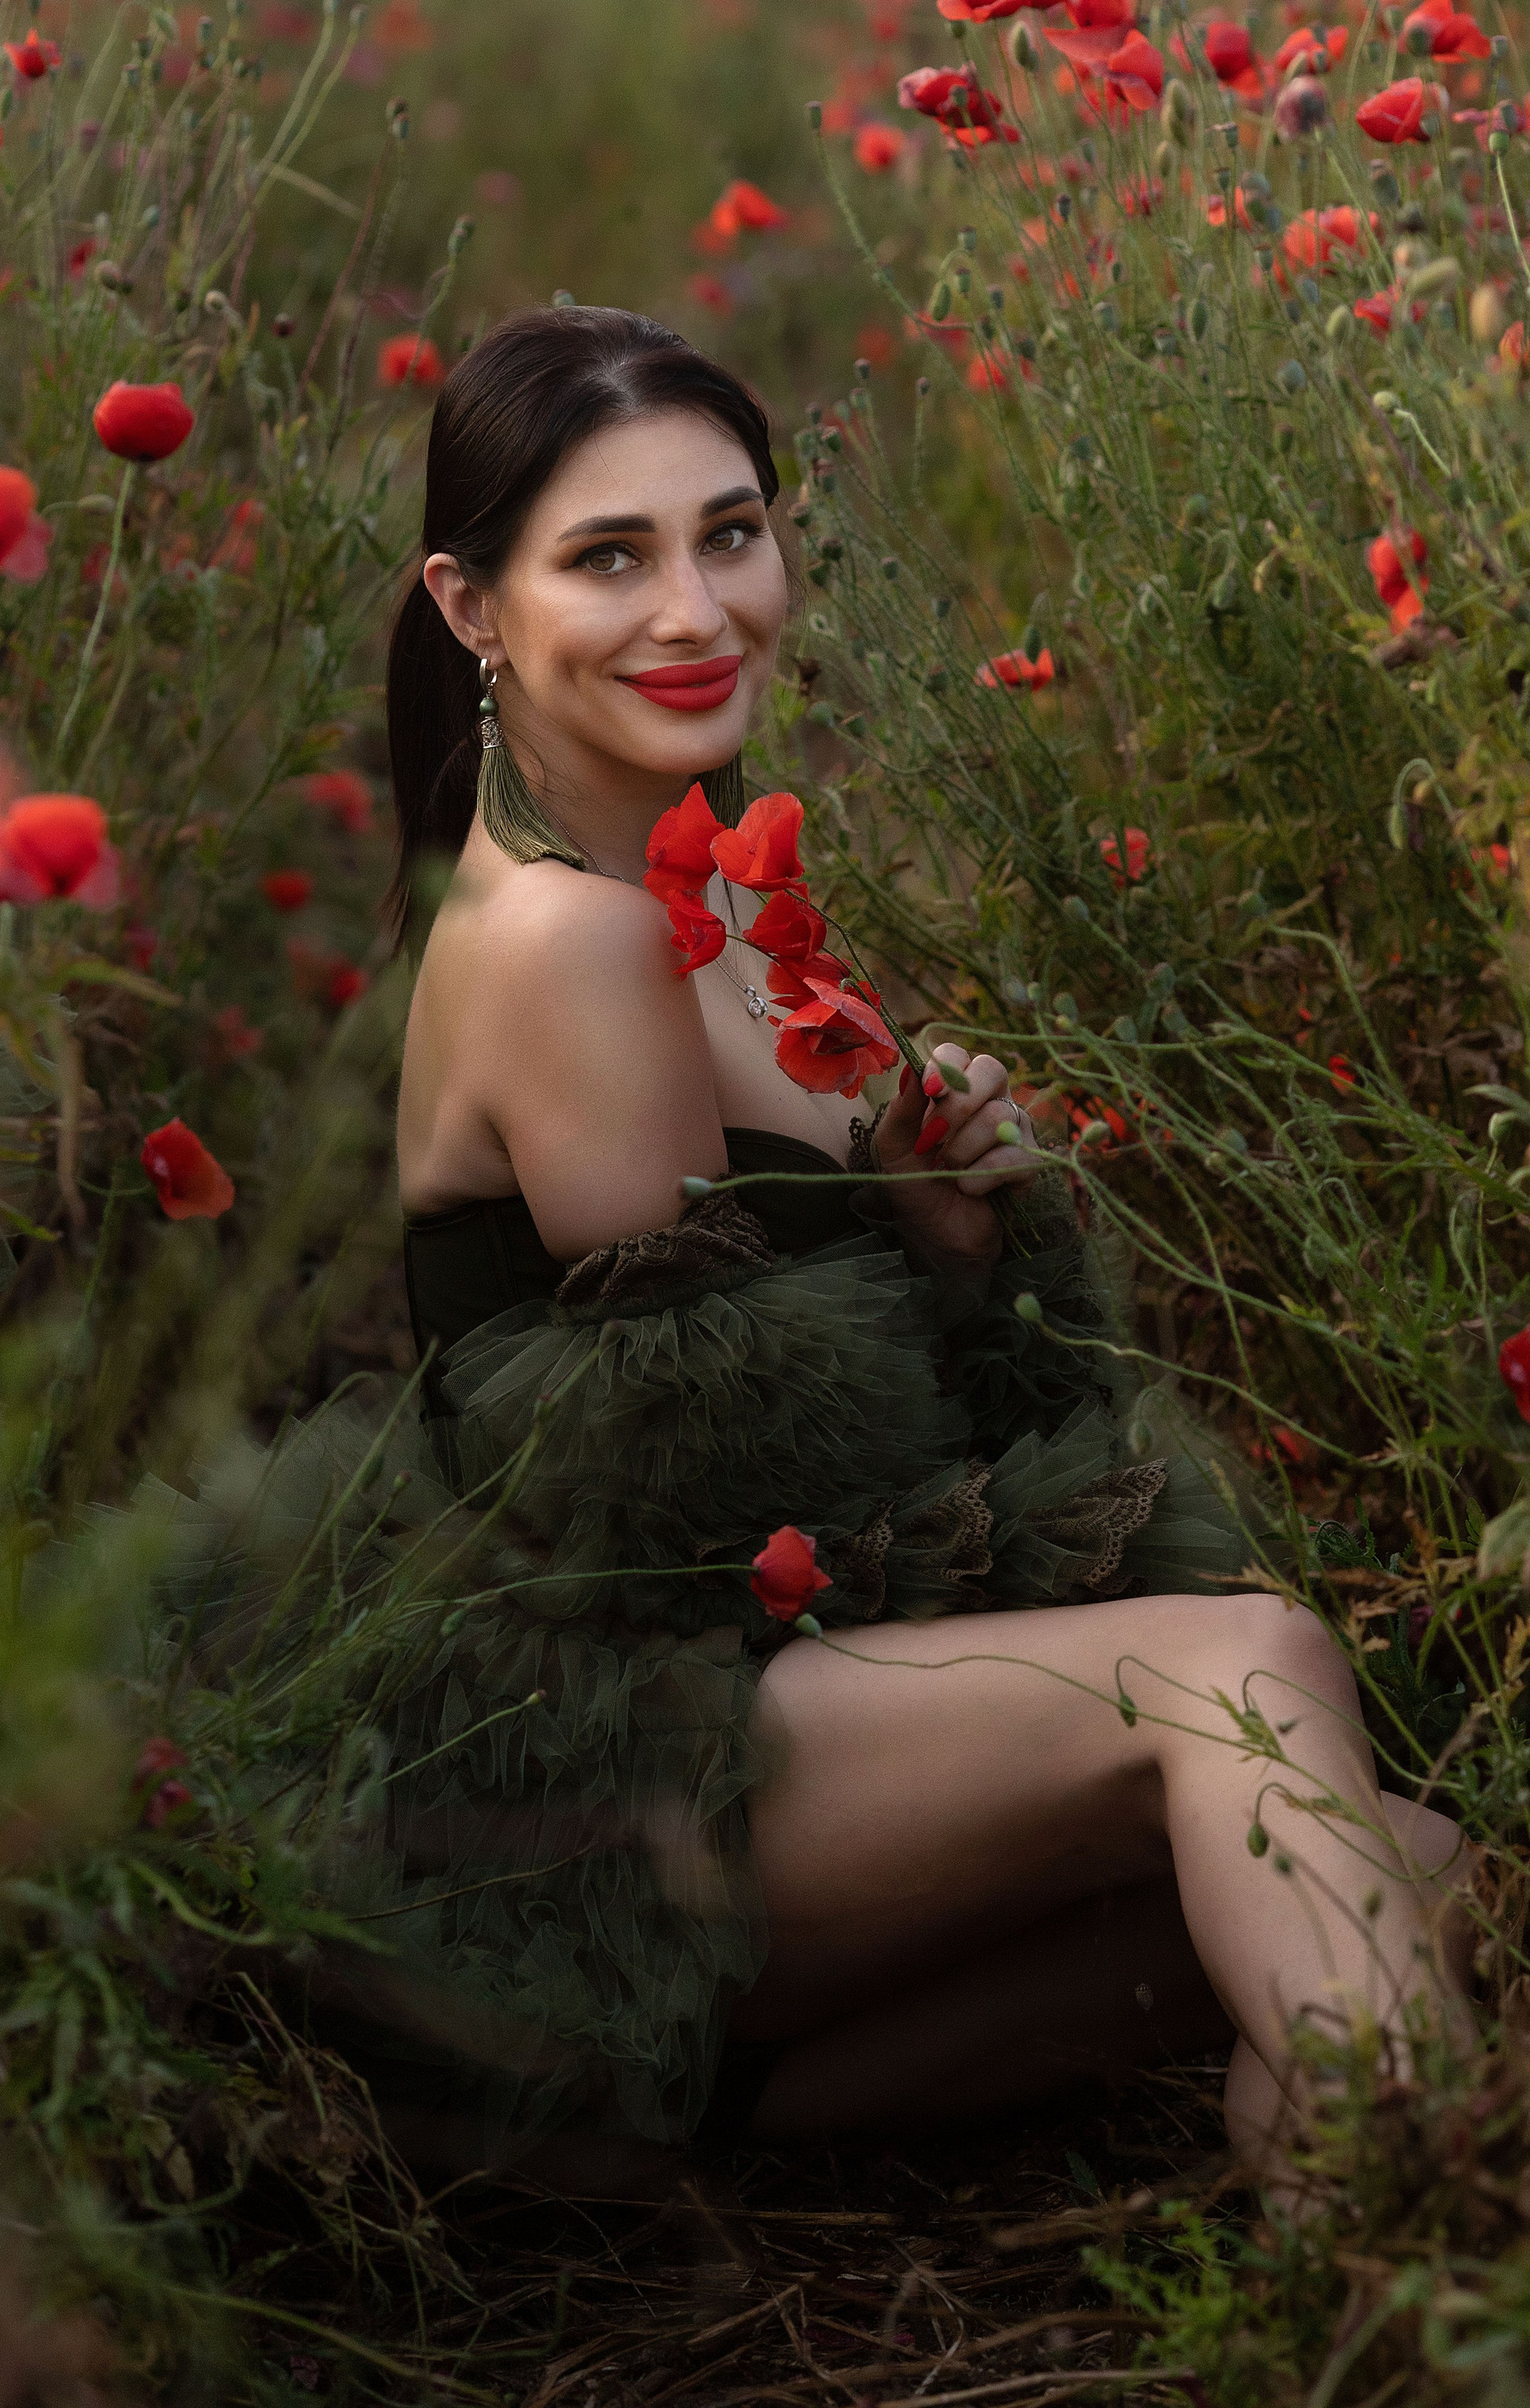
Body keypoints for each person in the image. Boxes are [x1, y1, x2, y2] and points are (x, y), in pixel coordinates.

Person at [380, 302, 1469, 2175]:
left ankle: (1275, 2180)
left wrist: (948, 1234)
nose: (697, 610)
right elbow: (697, 1501)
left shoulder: (714, 891)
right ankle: (1421, 2228)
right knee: (1239, 1671)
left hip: (814, 1744)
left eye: (731, 533)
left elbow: (866, 1408)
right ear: (473, 606)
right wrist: (914, 1259)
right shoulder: (573, 939)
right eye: (610, 558)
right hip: (647, 1773)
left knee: (1422, 1865)